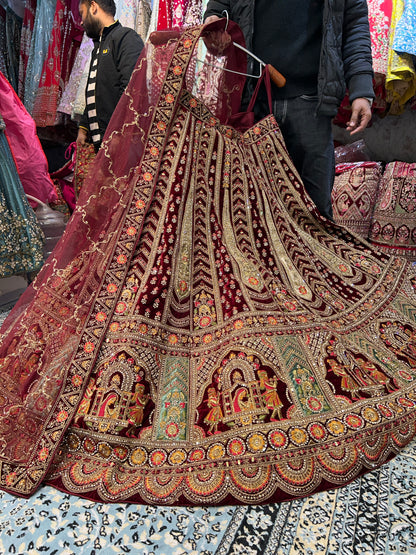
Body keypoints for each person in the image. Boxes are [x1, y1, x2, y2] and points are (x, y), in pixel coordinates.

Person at [203, 0, 375, 220]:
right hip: (252, 100)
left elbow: (354, 24)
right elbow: (220, 7)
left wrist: (361, 89)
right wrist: (214, 18)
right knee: (249, 212)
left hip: (311, 103)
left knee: (315, 214)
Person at [76, 0, 144, 152]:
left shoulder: (126, 37)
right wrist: (84, 128)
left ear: (93, 7)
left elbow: (131, 89)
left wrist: (117, 133)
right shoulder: (99, 46)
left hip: (120, 144)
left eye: (82, 13)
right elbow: (96, 92)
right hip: (103, 145)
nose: (81, 22)